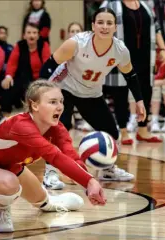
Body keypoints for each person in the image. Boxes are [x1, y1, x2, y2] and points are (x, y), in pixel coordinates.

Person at [0, 80, 106, 233]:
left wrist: (88, 185)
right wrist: (90, 181)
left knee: (44, 202)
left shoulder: (57, 128)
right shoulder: (21, 126)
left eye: (61, 101)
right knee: (10, 184)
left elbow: (71, 157)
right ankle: (2, 209)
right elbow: (55, 157)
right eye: (52, 102)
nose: (59, 106)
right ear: (35, 105)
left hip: (13, 169)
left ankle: (52, 202)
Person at [39, 7, 146, 189]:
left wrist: (139, 101)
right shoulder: (77, 43)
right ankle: (50, 173)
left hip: (91, 93)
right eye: (100, 22)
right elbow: (49, 66)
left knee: (111, 131)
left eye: (109, 23)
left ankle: (107, 169)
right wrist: (42, 93)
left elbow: (131, 75)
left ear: (115, 27)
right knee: (60, 130)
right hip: (64, 88)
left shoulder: (120, 50)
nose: (104, 26)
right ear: (93, 26)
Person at [102, 0, 165, 144]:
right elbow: (101, 28)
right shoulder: (110, 4)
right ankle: (123, 131)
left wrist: (162, 48)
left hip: (145, 55)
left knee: (145, 91)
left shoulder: (145, 5)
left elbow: (156, 27)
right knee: (120, 93)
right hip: (120, 55)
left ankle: (143, 130)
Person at [0, 22, 50, 119]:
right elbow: (12, 63)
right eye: (29, 32)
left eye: (34, 33)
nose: (32, 35)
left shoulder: (44, 45)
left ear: (38, 35)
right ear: (24, 35)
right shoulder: (19, 45)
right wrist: (8, 76)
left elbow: (47, 64)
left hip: (41, 79)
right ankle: (5, 118)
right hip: (23, 78)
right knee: (8, 86)